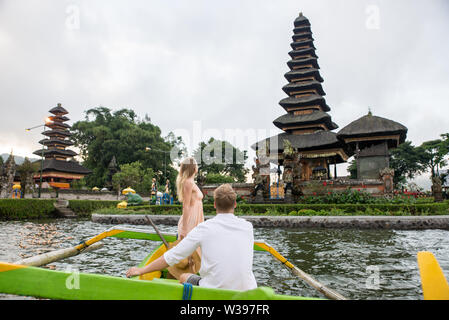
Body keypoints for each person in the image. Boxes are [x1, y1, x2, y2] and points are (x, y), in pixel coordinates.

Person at [126, 184, 257, 291]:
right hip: (247, 290)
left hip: (212, 289)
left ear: (215, 205)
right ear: (235, 204)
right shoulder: (248, 227)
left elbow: (172, 256)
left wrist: (142, 270)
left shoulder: (204, 228)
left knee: (184, 277)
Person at [176, 157, 204, 240]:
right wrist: (184, 228)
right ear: (194, 168)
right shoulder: (188, 182)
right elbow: (186, 205)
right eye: (196, 165)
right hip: (191, 220)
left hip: (196, 218)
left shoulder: (191, 182)